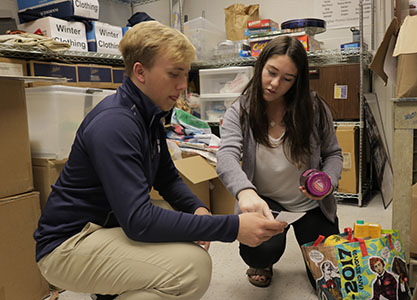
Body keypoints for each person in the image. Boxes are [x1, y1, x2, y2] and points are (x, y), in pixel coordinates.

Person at [33, 21, 288, 300]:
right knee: (192, 267)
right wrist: (232, 227)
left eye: (185, 75)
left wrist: (197, 208)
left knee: (178, 224)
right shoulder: (115, 123)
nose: (182, 85)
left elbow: (166, 178)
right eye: (173, 74)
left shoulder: (147, 114)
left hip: (103, 223)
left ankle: (110, 292)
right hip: (67, 246)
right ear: (140, 72)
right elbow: (139, 221)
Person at [216, 35, 343, 288]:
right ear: (260, 65)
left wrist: (327, 182)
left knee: (328, 277)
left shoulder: (315, 108)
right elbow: (226, 155)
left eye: (287, 79)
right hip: (266, 204)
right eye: (271, 73)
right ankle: (263, 262)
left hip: (311, 204)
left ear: (297, 81)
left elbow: (333, 154)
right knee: (261, 250)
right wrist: (245, 192)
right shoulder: (240, 110)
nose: (275, 84)